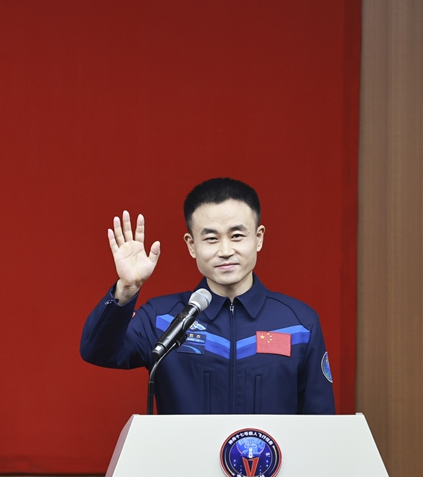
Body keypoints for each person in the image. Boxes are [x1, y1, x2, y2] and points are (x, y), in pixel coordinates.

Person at [80, 177, 334, 414]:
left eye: (236, 236)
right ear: (192, 245)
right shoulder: (162, 319)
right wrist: (126, 288)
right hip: (185, 463)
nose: (225, 251)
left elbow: (321, 423)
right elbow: (97, 352)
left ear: (258, 238)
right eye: (211, 238)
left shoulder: (299, 323)